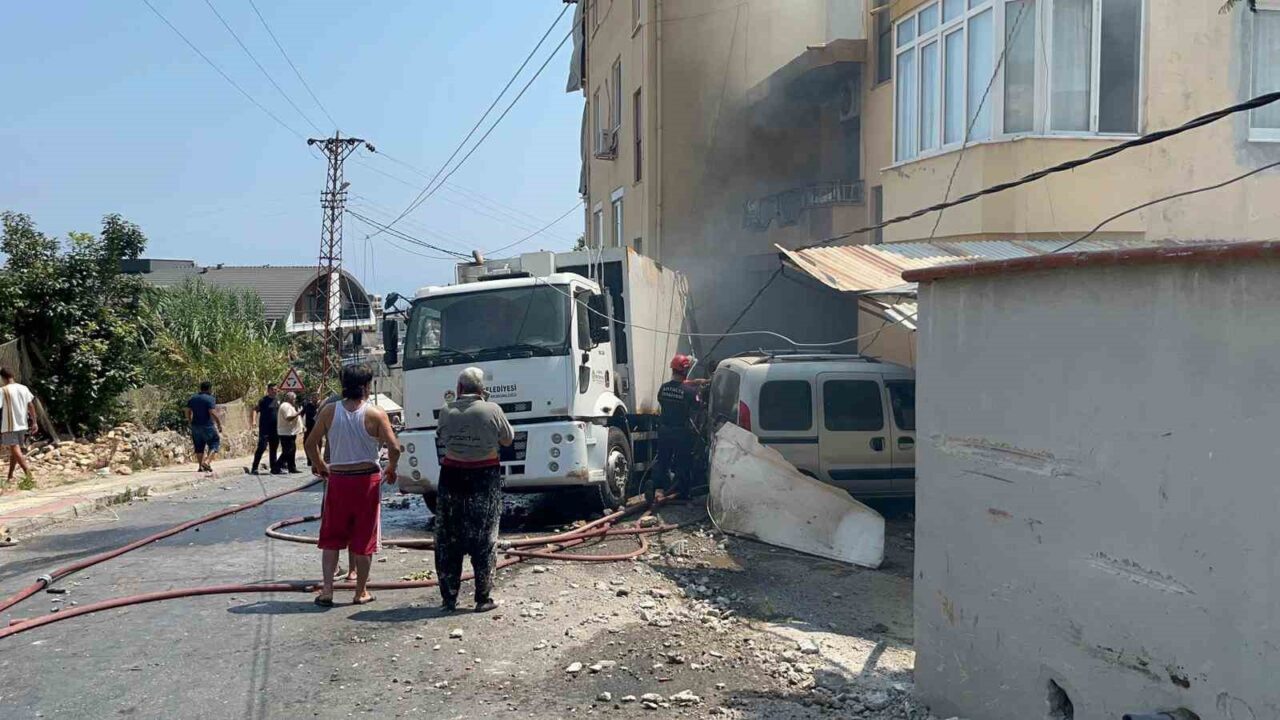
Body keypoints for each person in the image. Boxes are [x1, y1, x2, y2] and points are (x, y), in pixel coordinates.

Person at [305, 365, 399, 607]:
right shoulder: (376, 414)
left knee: (331, 537)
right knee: (364, 539)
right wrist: (391, 468)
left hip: (338, 480)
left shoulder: (329, 411)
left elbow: (310, 443)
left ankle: (327, 591)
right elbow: (395, 447)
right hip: (367, 482)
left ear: (344, 385)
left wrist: (320, 466)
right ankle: (361, 591)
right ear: (366, 386)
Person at [434, 367, 513, 613]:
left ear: (459, 388)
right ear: (482, 389)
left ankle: (449, 599)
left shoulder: (446, 411)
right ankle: (482, 598)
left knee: (448, 537)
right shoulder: (493, 409)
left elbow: (442, 438)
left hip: (451, 476)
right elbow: (507, 439)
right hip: (484, 476)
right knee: (485, 536)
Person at [649, 354, 705, 505]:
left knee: (663, 460)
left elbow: (666, 397)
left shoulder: (663, 388)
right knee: (683, 462)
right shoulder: (690, 392)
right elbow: (698, 407)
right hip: (681, 432)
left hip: (664, 430)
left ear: (673, 369)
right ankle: (682, 493)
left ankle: (658, 489)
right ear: (685, 371)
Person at [0, 367, 37, 485]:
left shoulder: (3, 390)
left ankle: (28, 474)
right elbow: (31, 405)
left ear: (2, 378)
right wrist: (34, 422)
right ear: (13, 376)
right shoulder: (23, 388)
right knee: (15, 450)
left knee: (15, 449)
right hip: (22, 424)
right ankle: (10, 476)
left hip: (10, 424)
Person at [185, 381, 223, 473]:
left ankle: (200, 467)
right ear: (209, 389)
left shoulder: (193, 398)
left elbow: (187, 410)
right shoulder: (210, 398)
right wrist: (219, 423)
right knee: (214, 442)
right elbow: (212, 412)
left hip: (195, 425)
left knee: (199, 446)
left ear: (201, 388)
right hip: (207, 425)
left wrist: (190, 421)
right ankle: (207, 462)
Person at [248, 383, 280, 475]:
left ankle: (274, 468)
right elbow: (255, 410)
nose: (275, 391)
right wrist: (254, 421)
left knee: (274, 448)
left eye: (276, 389)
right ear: (268, 390)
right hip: (265, 429)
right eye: (273, 389)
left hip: (275, 429)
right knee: (262, 447)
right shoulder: (263, 400)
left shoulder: (278, 400)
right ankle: (254, 467)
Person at [274, 391, 304, 474]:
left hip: (290, 432)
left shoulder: (289, 406)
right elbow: (288, 418)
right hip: (285, 433)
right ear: (290, 398)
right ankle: (276, 467)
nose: (295, 400)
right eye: (294, 399)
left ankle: (292, 467)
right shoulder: (285, 406)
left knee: (292, 450)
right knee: (287, 451)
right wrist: (299, 412)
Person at [301, 393, 319, 466]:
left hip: (318, 428)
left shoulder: (320, 406)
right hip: (308, 428)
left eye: (316, 397)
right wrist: (302, 425)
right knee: (306, 443)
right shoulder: (307, 406)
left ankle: (317, 459)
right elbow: (301, 414)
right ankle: (309, 459)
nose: (315, 399)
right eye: (313, 397)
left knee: (318, 444)